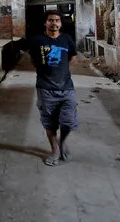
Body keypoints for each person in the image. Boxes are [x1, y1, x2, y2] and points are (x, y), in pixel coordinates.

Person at [29, 10, 78, 166]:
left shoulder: (66, 39)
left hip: (66, 87)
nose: (54, 23)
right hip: (45, 88)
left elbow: (72, 57)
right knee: (50, 122)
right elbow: (33, 59)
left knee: (68, 121)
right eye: (50, 20)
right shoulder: (37, 40)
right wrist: (45, 72)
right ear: (45, 23)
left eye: (57, 20)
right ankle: (55, 150)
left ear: (60, 23)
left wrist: (61, 71)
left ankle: (62, 142)